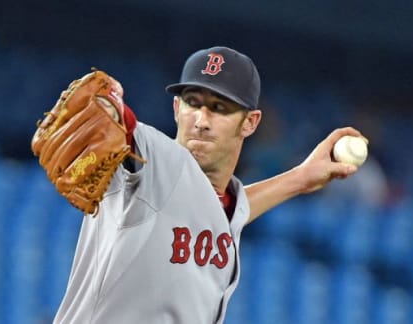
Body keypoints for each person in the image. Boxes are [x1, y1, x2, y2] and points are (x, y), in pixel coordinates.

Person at [51, 46, 365, 323]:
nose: (201, 120)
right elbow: (119, 122)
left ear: (250, 122)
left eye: (219, 108)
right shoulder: (156, 161)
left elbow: (224, 211)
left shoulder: (218, 204)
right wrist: (106, 106)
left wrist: (299, 178)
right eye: (192, 102)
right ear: (176, 109)